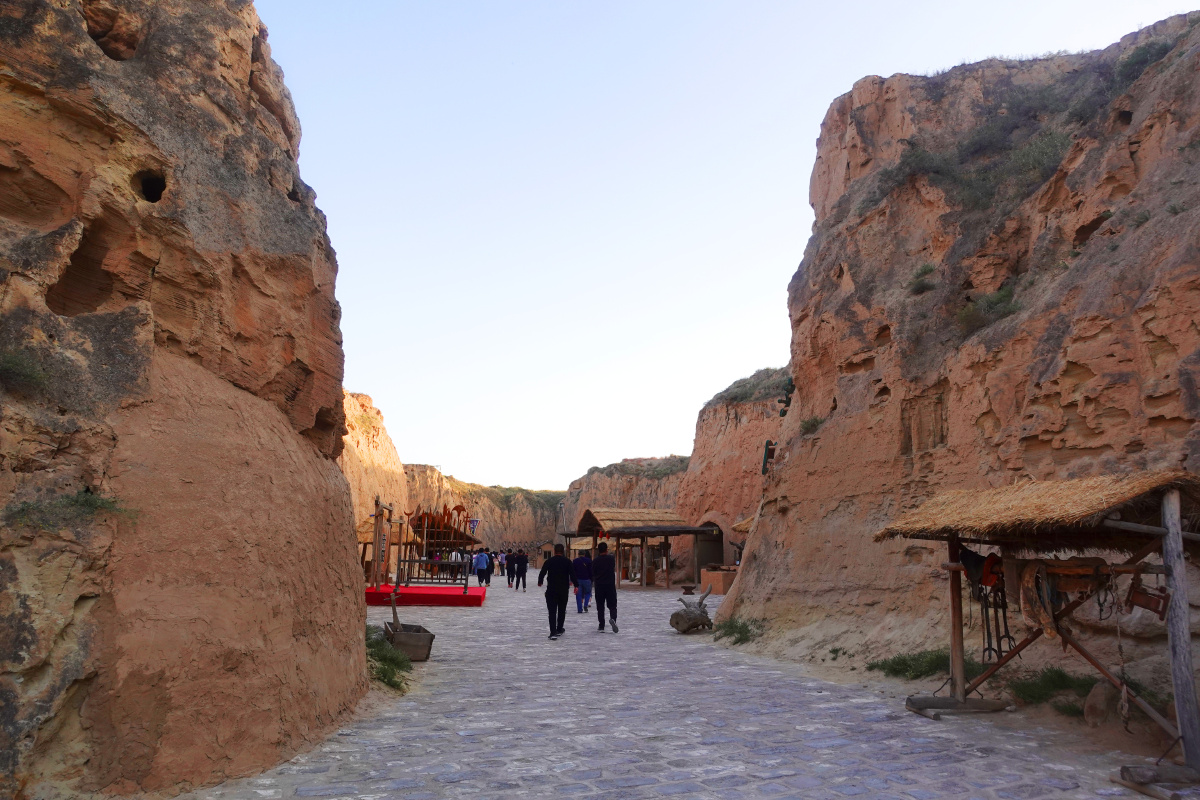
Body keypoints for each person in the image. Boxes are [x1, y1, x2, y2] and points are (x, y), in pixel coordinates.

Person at [538, 543, 577, 639]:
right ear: (563, 551)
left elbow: (542, 572)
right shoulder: (567, 562)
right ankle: (559, 628)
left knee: (552, 611)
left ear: (554, 551)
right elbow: (572, 574)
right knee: (562, 610)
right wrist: (576, 585)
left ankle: (553, 632)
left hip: (551, 589)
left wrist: (540, 581)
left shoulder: (549, 561)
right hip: (563, 590)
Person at [592, 542, 618, 633]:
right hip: (610, 585)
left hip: (599, 586)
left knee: (600, 606)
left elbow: (593, 573)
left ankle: (601, 625)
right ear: (606, 549)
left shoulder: (595, 561)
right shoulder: (611, 559)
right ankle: (613, 619)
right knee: (612, 605)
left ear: (598, 550)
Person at [573, 549, 593, 614]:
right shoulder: (589, 561)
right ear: (584, 554)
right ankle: (585, 604)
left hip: (578, 580)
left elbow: (573, 572)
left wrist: (573, 580)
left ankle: (579, 609)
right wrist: (591, 579)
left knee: (578, 595)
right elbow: (591, 571)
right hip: (587, 579)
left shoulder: (575, 561)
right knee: (588, 593)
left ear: (578, 554)